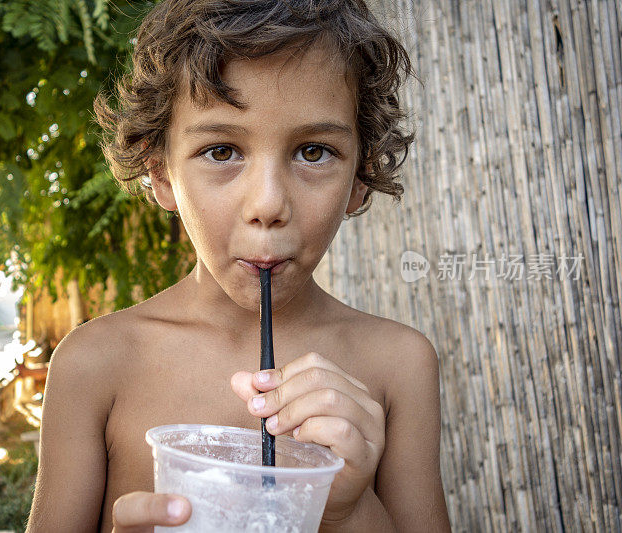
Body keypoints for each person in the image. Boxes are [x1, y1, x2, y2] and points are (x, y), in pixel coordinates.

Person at [26, 0, 451, 531]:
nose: (269, 204)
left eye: (314, 152)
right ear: (161, 175)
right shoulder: (95, 364)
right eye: (222, 151)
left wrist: (345, 509)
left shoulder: (398, 366)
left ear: (360, 177)